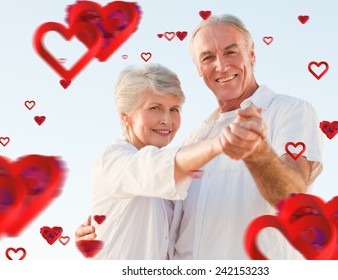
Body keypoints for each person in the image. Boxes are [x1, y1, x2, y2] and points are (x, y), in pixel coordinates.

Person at [76, 14, 323, 260]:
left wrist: (258, 153)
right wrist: (102, 236)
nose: (221, 65)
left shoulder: (290, 111)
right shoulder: (195, 140)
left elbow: (293, 199)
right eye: (208, 57)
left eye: (231, 52)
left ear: (252, 54)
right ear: (198, 68)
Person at [86, 63, 257, 259]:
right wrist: (219, 142)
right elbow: (152, 169)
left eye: (174, 109)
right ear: (126, 116)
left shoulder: (169, 181)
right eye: (155, 108)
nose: (167, 120)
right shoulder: (112, 158)